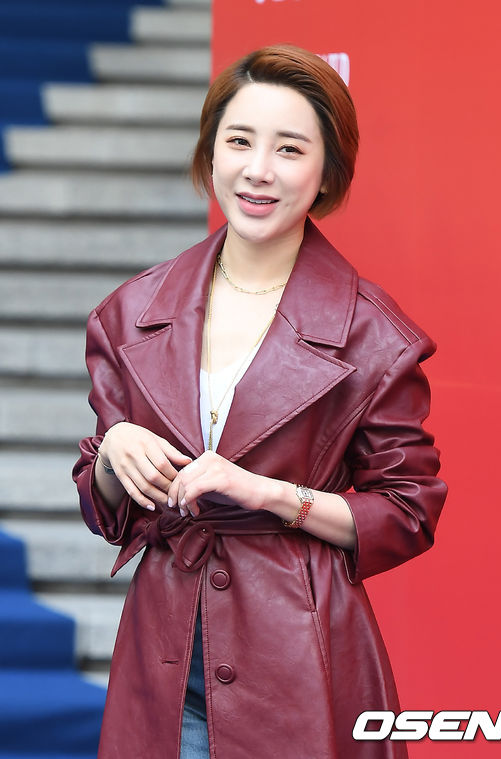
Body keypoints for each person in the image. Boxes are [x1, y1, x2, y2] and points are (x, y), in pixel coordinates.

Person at [73, 45, 447, 759]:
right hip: (163, 648)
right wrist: (113, 454)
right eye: (239, 141)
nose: (258, 170)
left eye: (290, 149)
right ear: (211, 152)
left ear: (328, 172)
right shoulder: (130, 313)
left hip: (300, 654)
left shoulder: (374, 335)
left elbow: (409, 510)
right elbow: (106, 511)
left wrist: (272, 494)